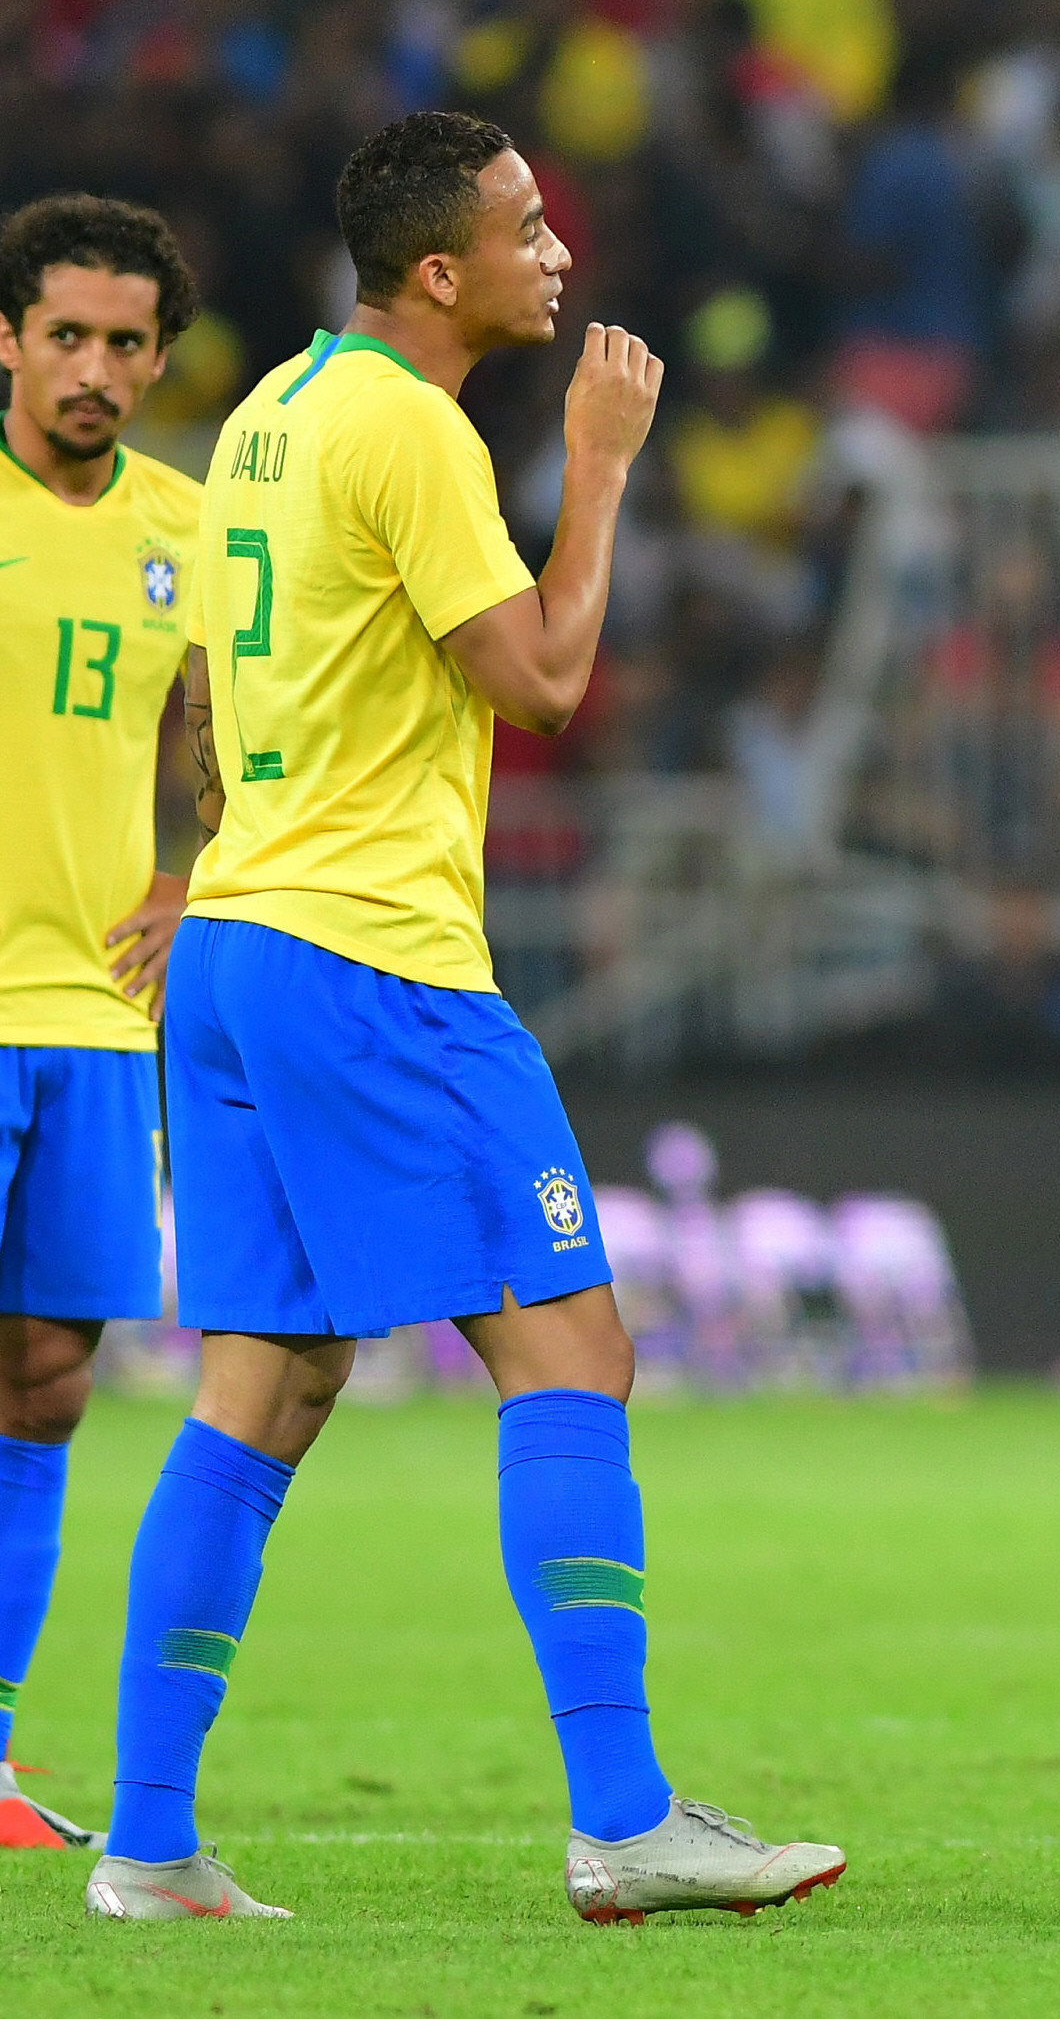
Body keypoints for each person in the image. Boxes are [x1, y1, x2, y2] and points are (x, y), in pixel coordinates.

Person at [83, 111, 844, 1925]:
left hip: (242, 948)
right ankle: (627, 1817)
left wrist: (218, 860)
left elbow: (219, 684)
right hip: (378, 959)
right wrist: (600, 466)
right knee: (574, 1352)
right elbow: (548, 679)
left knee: (264, 1386)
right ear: (441, 270)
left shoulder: (268, 412)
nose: (556, 250)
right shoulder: (414, 427)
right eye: (525, 226)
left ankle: (147, 1843)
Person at [0, 197, 204, 1853]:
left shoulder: (187, 530)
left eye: (124, 343)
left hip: (97, 1009)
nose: (93, 368)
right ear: (6, 338)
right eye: (64, 334)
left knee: (52, 1378)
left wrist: (202, 873)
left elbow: (238, 723)